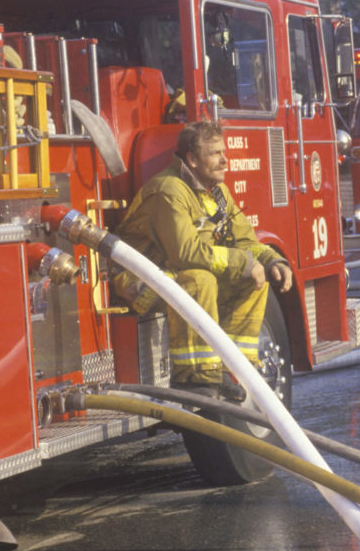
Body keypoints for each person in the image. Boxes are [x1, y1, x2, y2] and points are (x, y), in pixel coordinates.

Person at [112, 121, 293, 399]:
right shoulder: (168, 191)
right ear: (192, 160)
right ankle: (196, 377)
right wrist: (243, 263)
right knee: (201, 280)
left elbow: (244, 240)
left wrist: (271, 262)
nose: (225, 160)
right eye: (215, 154)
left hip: (173, 273)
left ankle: (233, 370)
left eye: (224, 152)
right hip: (141, 278)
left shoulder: (216, 192)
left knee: (254, 282)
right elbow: (184, 253)